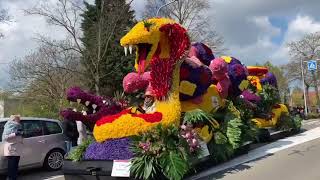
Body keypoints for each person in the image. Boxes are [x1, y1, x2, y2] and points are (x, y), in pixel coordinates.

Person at [2, 115, 23, 180]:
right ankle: (11, 178)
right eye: (18, 119)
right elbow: (5, 137)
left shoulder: (17, 126)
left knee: (15, 165)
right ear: (14, 120)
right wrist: (15, 134)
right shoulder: (9, 126)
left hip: (17, 148)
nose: (19, 120)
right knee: (12, 166)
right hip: (11, 149)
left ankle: (13, 177)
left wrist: (21, 134)